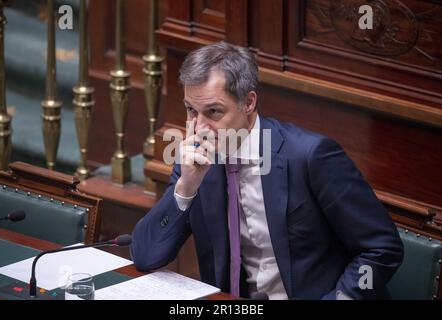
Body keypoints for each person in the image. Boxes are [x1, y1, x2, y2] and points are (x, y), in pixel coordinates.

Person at [130, 41, 403, 300]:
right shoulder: (194, 162)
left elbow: (380, 248)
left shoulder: (310, 156)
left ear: (248, 103)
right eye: (191, 110)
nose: (199, 127)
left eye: (213, 112)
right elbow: (145, 255)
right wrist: (185, 190)